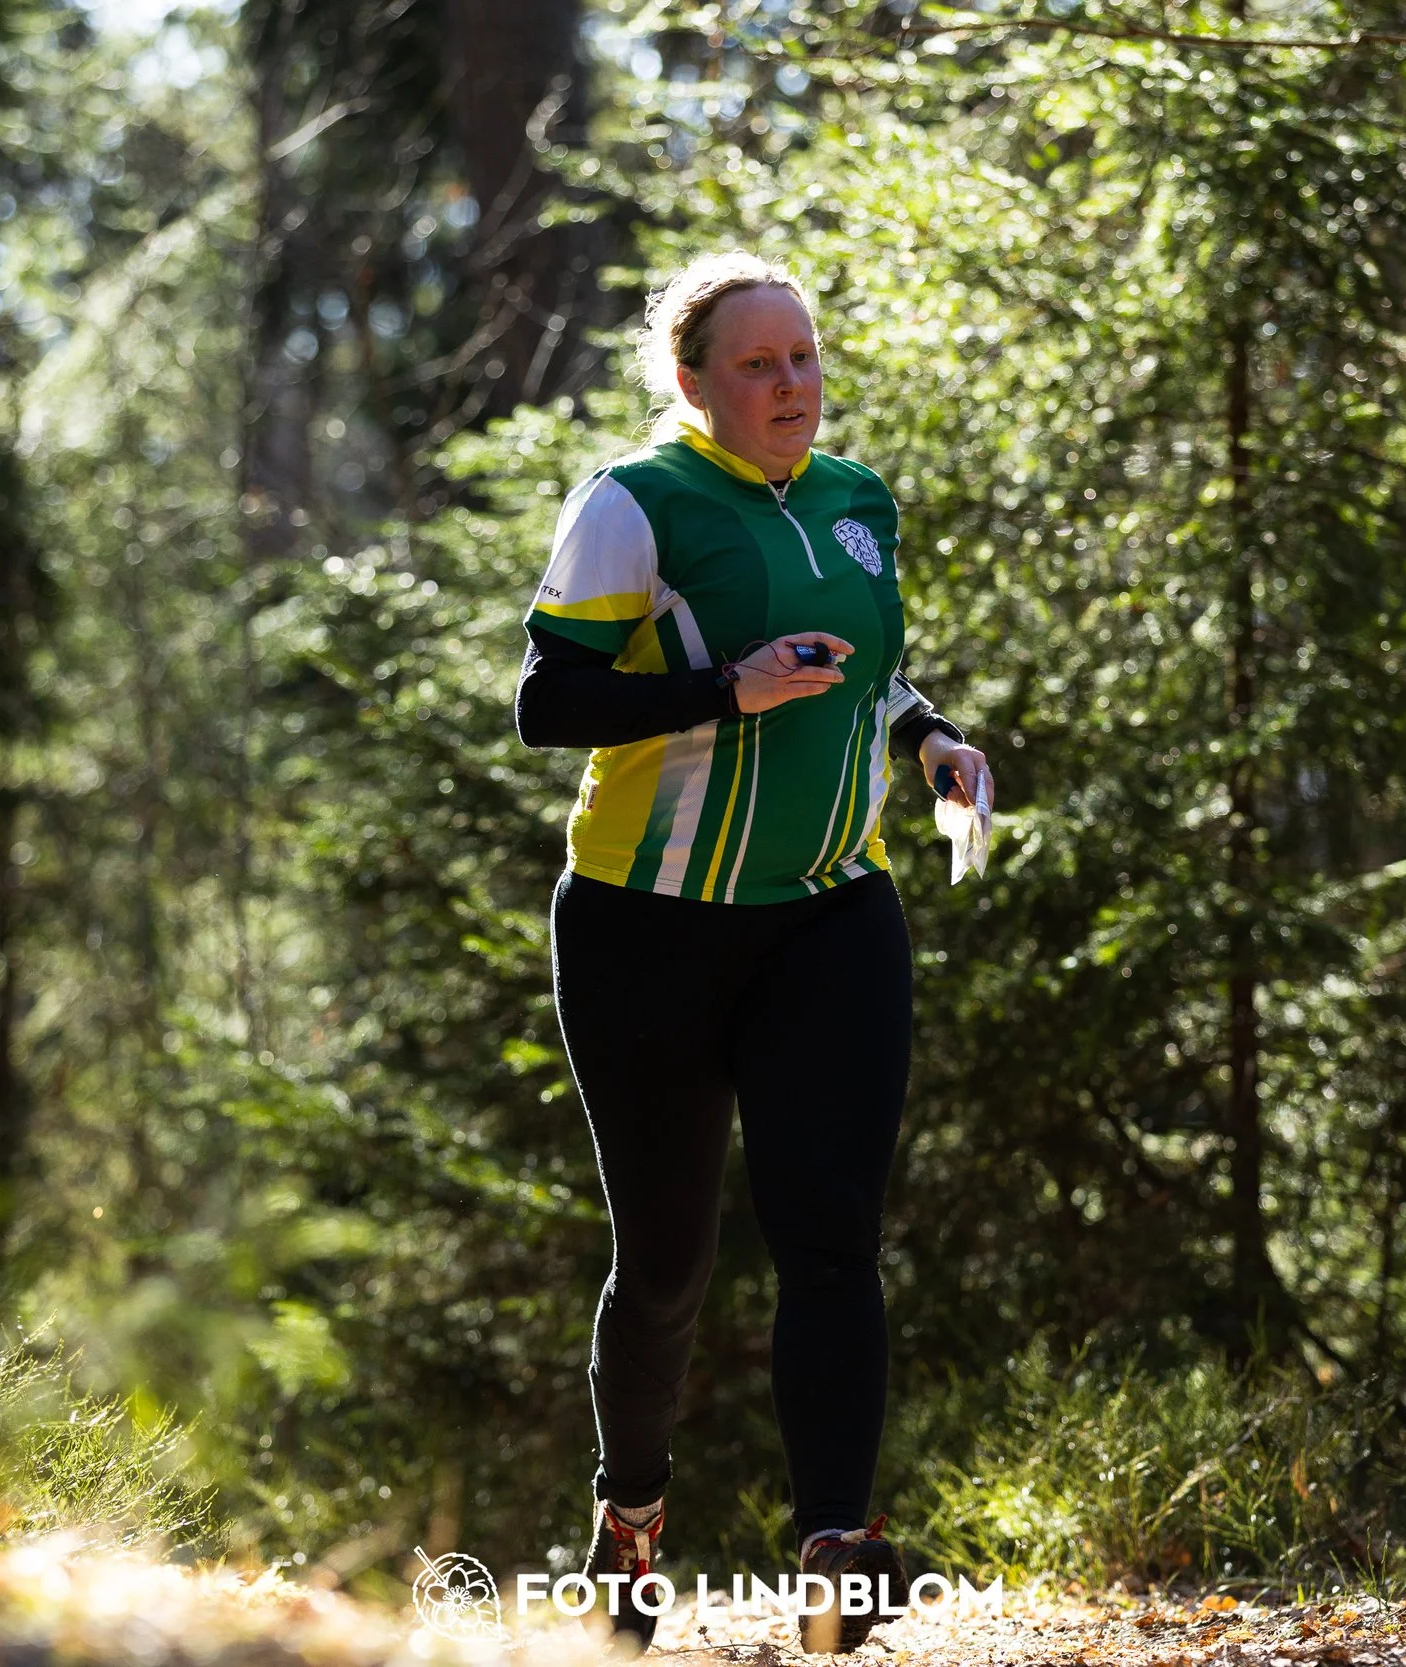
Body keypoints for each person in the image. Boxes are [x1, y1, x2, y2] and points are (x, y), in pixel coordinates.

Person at [514, 251, 992, 1654]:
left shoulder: (856, 500)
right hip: (646, 926)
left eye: (804, 358)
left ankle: (836, 1550)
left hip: (832, 910)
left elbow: (868, 671)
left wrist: (931, 740)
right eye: (758, 365)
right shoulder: (636, 504)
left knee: (831, 1234)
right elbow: (549, 703)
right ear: (693, 381)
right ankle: (630, 1521)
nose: (792, 386)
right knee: (667, 1263)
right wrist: (726, 689)